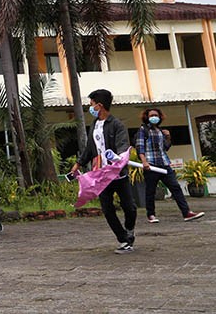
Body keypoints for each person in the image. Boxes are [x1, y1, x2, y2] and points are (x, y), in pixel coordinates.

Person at [69, 89, 136, 254]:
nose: (90, 107)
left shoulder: (117, 124)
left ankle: (129, 230)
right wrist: (78, 164)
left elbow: (122, 144)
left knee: (130, 207)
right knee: (107, 209)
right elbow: (90, 148)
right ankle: (123, 240)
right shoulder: (94, 125)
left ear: (99, 105)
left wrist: (118, 157)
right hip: (100, 175)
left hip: (117, 174)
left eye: (91, 104)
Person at [135, 107, 205, 223]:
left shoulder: (160, 131)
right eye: (151, 115)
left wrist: (168, 137)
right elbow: (140, 146)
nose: (154, 118)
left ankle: (186, 212)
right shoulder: (143, 129)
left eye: (156, 115)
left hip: (164, 163)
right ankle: (151, 215)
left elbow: (165, 148)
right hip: (151, 164)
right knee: (151, 191)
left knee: (175, 187)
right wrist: (144, 161)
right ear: (147, 117)